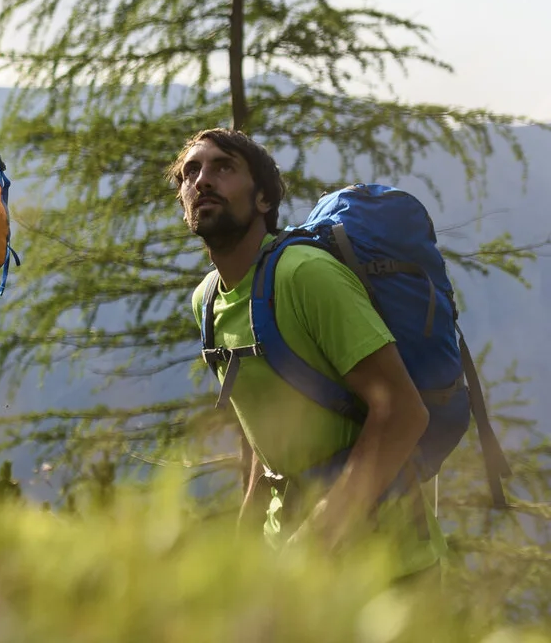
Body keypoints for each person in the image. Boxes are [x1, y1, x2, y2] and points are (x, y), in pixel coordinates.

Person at [169, 129, 444, 580]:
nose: (202, 181)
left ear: (263, 200)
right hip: (293, 561)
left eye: (223, 167)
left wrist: (322, 532)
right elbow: (271, 432)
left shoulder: (305, 275)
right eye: (190, 172)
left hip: (390, 566)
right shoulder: (207, 302)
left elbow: (403, 411)